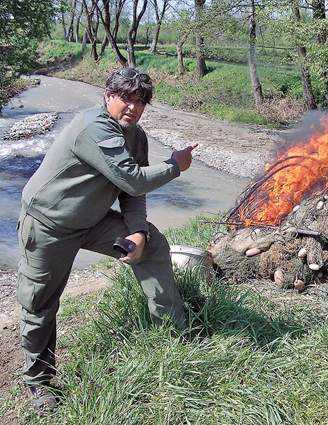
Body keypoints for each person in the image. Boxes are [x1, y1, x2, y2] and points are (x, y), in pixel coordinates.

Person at [16, 68, 195, 413]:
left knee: (153, 245)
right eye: (125, 98)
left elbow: (131, 193)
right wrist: (174, 165)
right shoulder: (93, 127)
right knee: (40, 301)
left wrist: (138, 231)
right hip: (49, 224)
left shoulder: (136, 136)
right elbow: (132, 179)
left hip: (92, 220)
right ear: (108, 96)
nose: (132, 107)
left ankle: (173, 336)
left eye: (140, 101)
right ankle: (39, 382)